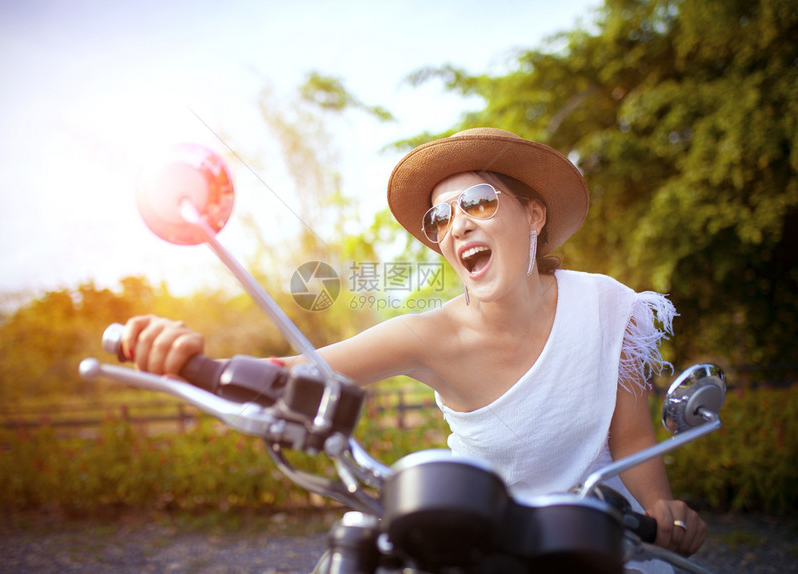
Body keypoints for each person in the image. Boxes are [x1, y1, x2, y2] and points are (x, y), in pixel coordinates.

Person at [120, 128, 707, 570]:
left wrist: (663, 511)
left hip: (609, 545)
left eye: (477, 201)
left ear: (533, 215)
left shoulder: (609, 306)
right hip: (491, 553)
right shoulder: (429, 335)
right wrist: (189, 362)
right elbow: (293, 373)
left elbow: (630, 436)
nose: (455, 226)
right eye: (439, 217)